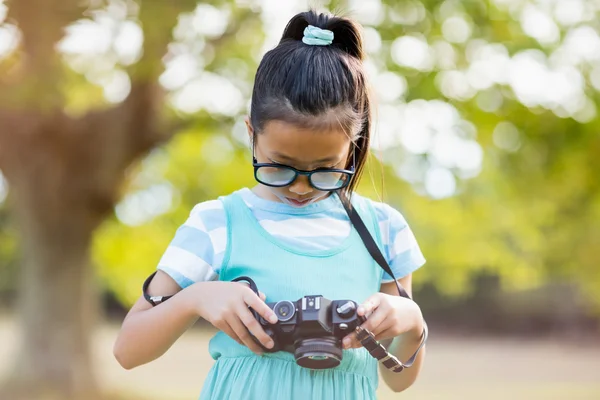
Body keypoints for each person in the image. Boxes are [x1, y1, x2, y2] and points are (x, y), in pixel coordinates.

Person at [113, 9, 427, 400]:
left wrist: (411, 322)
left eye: (325, 169)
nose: (299, 186)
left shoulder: (384, 230)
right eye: (281, 166)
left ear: (353, 147)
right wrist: (197, 298)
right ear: (251, 134)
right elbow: (128, 350)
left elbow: (397, 380)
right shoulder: (217, 223)